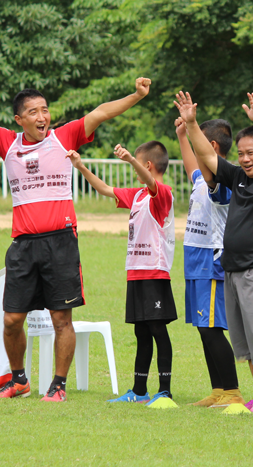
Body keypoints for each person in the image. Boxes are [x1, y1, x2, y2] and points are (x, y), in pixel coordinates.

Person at [0, 76, 151, 402]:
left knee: (61, 318)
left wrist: (136, 95)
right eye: (33, 112)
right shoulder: (7, 143)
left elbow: (100, 113)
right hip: (23, 245)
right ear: (19, 119)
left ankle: (57, 386)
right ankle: (19, 381)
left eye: (45, 110)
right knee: (12, 320)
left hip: (60, 241)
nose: (42, 117)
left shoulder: (63, 136)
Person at [175, 91, 253, 414]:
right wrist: (190, 124)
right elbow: (209, 157)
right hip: (233, 270)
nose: (244, 158)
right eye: (241, 153)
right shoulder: (239, 178)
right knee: (244, 340)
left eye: (251, 152)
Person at [69, 142, 177, 406]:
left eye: (138, 163)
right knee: (141, 332)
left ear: (147, 165)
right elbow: (105, 189)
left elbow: (153, 183)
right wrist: (81, 167)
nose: (135, 168)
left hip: (155, 273)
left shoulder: (161, 193)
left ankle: (164, 392)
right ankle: (139, 391)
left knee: (157, 329)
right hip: (136, 274)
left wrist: (130, 159)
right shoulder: (138, 195)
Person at [175, 117, 242, 408]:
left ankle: (233, 391)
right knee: (203, 328)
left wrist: (189, 131)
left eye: (197, 141)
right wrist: (181, 137)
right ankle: (218, 390)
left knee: (211, 328)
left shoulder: (223, 182)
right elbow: (193, 168)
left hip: (211, 261)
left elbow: (206, 170)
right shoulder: (203, 178)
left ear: (211, 147)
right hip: (195, 261)